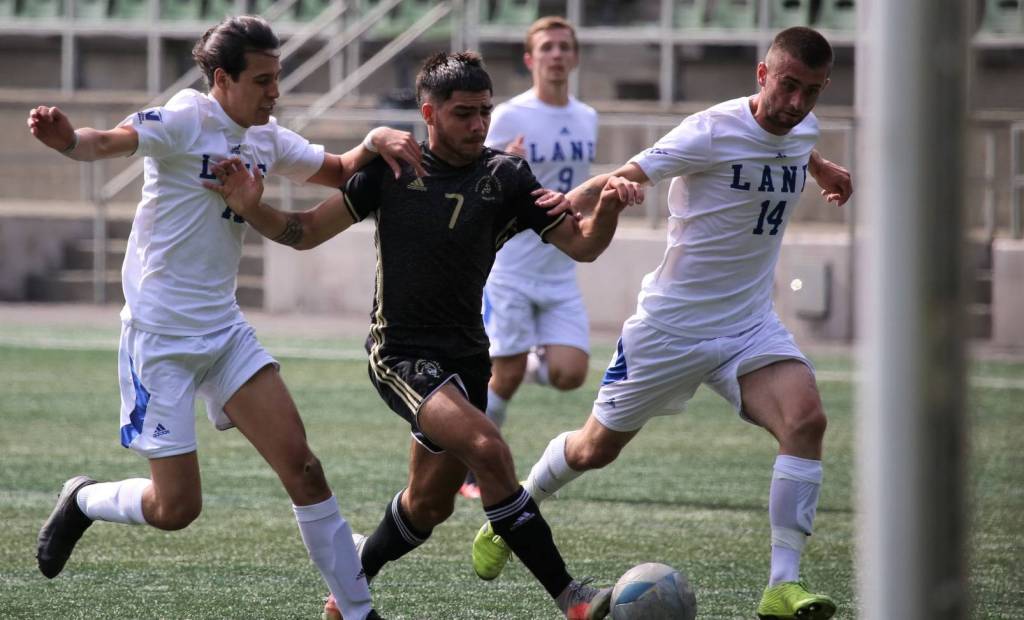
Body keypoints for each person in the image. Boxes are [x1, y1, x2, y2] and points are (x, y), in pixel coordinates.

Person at [205, 51, 644, 620]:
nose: (479, 125)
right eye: (464, 113)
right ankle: (571, 598)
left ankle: (350, 585)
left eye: (485, 112)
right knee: (488, 449)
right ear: (428, 113)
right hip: (400, 357)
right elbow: (305, 231)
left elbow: (583, 245)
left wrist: (607, 206)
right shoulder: (390, 171)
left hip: (467, 360)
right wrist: (253, 206)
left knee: (426, 505)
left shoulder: (506, 177)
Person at [28, 15, 425, 620]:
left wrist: (376, 136)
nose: (275, 92)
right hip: (160, 338)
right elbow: (103, 143)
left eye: (278, 77)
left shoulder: (265, 138)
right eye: (263, 80)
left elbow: (342, 169)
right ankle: (84, 500)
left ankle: (357, 610)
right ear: (222, 79)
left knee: (306, 470)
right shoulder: (186, 118)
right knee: (176, 510)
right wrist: (63, 140)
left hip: (224, 332)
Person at [470, 27, 854, 620]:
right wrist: (564, 205)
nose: (798, 103)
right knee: (595, 449)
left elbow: (797, 144)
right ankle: (512, 512)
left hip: (749, 325)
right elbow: (623, 174)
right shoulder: (709, 130)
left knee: (806, 420)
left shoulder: (803, 127)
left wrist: (822, 169)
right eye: (788, 86)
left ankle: (783, 585)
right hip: (670, 328)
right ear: (761, 75)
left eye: (812, 91)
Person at [458, 16, 597, 500]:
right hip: (512, 266)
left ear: (574, 57)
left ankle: (534, 356)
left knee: (570, 373)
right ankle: (472, 472)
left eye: (564, 47)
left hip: (559, 266)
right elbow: (473, 173)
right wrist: (499, 160)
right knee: (506, 375)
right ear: (530, 59)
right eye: (547, 48)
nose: (557, 55)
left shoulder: (587, 117)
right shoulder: (510, 115)